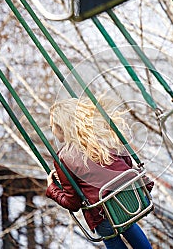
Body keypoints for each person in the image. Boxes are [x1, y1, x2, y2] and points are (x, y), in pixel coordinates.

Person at [46, 96, 153, 249]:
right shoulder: (104, 135)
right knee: (127, 223)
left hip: (105, 215)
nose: (52, 131)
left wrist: (52, 189)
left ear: (60, 126)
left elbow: (73, 202)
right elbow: (127, 163)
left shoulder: (63, 157)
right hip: (133, 200)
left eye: (52, 127)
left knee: (110, 232)